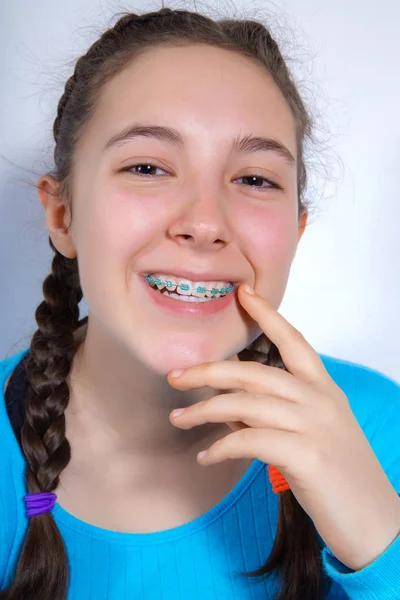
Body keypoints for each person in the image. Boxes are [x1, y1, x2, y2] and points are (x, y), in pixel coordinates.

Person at [0, 6, 399, 600]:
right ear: (63, 215)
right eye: (147, 167)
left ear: (296, 230)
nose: (206, 223)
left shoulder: (379, 426)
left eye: (255, 180)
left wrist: (382, 541)